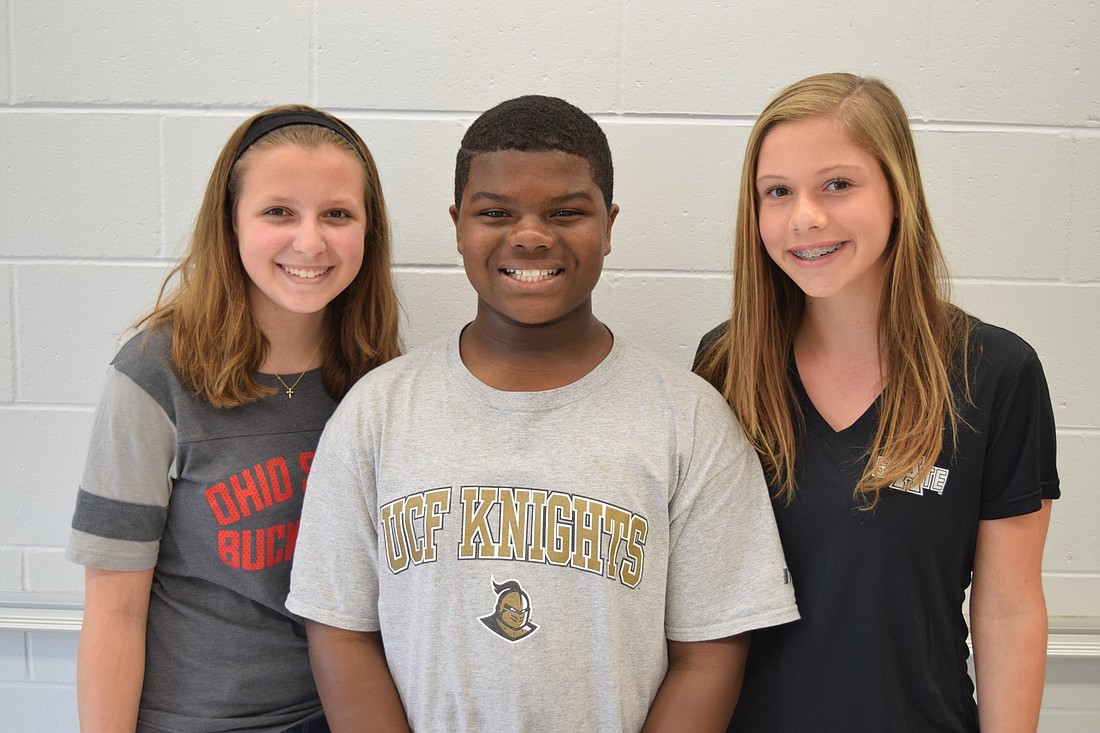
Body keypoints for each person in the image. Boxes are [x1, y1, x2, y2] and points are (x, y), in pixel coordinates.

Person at [286, 95, 799, 732]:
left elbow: (710, 651)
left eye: (566, 212)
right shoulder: (377, 413)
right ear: (458, 225)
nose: (530, 235)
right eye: (496, 212)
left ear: (609, 225)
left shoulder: (688, 420)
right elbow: (341, 631)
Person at [693, 72, 1059, 732]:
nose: (805, 215)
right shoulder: (724, 367)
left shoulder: (997, 374)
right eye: (777, 192)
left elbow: (1008, 609)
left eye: (837, 184)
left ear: (898, 190)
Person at [66, 104, 402, 732]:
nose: (310, 241)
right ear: (230, 223)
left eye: (337, 214)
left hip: (341, 716)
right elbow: (114, 613)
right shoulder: (154, 374)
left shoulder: (379, 383)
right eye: (279, 211)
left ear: (368, 230)